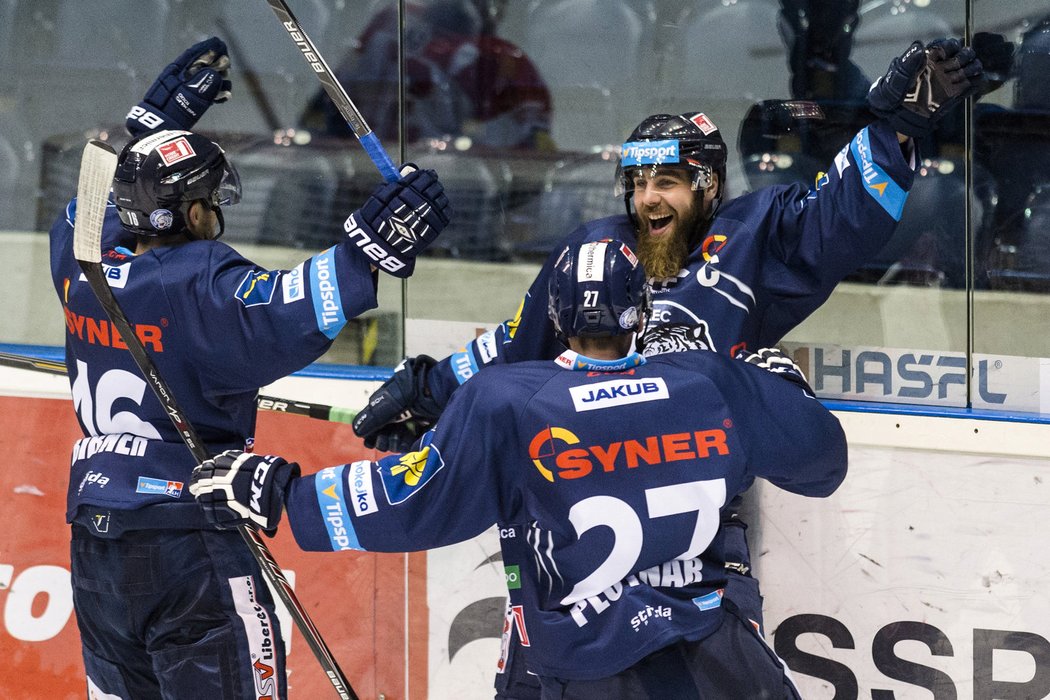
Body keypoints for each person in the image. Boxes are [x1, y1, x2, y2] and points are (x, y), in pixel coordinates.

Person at [348, 36, 983, 699]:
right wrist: (430, 390)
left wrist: (896, 127)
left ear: (708, 186)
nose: (649, 200)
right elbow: (516, 344)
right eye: (639, 182)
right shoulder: (592, 251)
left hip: (693, 542)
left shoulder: (749, 239)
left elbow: (839, 218)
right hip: (575, 535)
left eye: (669, 182)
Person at [190, 236, 847, 699]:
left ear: (554, 316)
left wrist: (280, 493)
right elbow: (822, 463)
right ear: (640, 313)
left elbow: (413, 503)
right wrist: (789, 390)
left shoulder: (508, 401)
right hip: (718, 658)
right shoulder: (710, 381)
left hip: (588, 667)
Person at [49, 38, 451, 699]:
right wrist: (366, 250)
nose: (217, 210)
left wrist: (146, 129)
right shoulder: (197, 282)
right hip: (187, 538)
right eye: (210, 199)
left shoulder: (80, 262)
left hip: (96, 542)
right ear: (195, 211)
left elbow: (89, 199)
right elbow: (285, 313)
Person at [299, 0, 554, 151]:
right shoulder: (387, 25)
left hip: (449, 203)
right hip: (366, 182)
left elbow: (527, 159)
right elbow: (329, 108)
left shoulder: (504, 61)